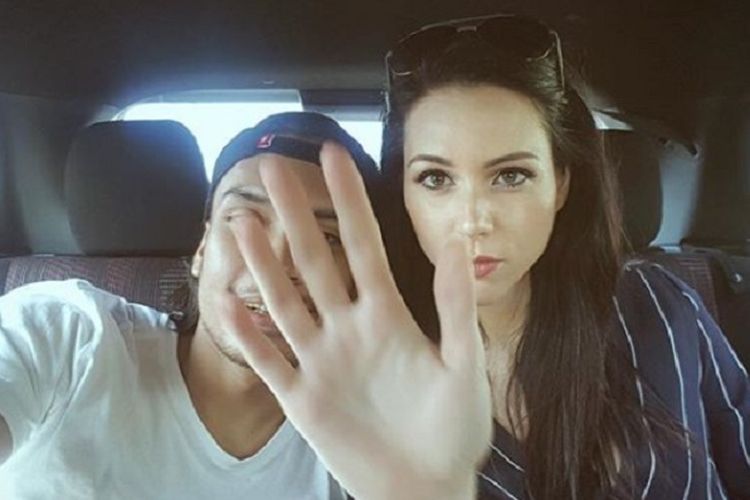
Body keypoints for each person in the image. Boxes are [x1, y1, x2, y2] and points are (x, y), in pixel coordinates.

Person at [376, 13, 750, 499]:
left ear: (562, 184)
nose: (472, 220)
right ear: (403, 195)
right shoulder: (384, 376)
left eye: (511, 175)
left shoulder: (656, 307)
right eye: (435, 178)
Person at [0, 111, 378, 499]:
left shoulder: (369, 441)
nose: (276, 265)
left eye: (327, 238)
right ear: (202, 249)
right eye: (245, 220)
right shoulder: (65, 333)